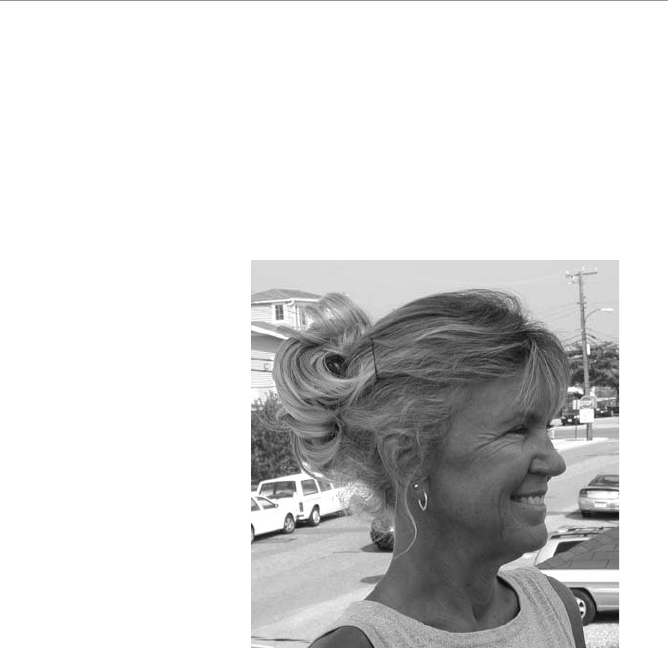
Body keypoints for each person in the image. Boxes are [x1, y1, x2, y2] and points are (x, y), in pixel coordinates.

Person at [272, 290, 586, 648]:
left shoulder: (554, 606)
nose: (556, 462)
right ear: (409, 458)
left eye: (547, 427)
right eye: (518, 430)